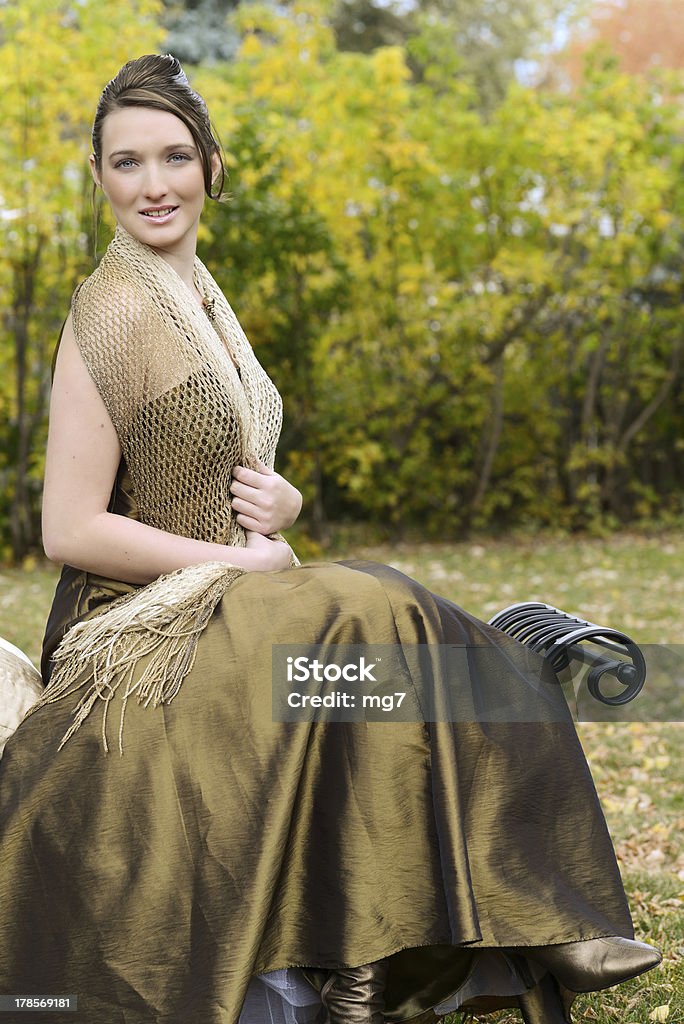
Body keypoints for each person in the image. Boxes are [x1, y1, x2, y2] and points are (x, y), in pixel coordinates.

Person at [0, 55, 661, 1024]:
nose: (153, 184)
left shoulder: (204, 299)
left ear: (212, 165)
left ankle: (476, 923)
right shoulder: (111, 308)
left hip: (233, 602)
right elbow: (69, 527)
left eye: (174, 156)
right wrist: (246, 559)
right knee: (368, 606)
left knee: (360, 659)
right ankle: (532, 875)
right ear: (98, 176)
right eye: (126, 162)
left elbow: (223, 472)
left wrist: (287, 504)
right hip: (131, 635)